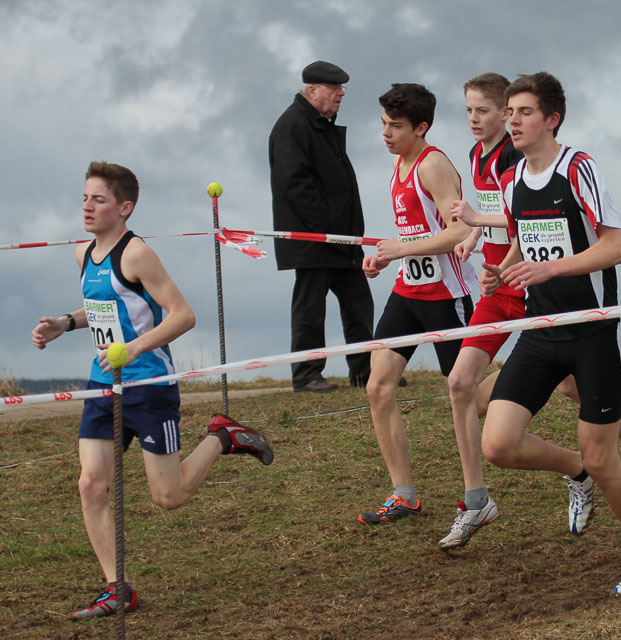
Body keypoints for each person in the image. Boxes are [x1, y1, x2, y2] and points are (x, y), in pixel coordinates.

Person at [31, 162, 273, 619]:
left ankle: (223, 437)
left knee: (169, 497)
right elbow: (104, 305)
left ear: (124, 208)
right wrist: (65, 323)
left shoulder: (137, 253)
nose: (87, 207)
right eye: (84, 198)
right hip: (103, 384)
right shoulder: (83, 254)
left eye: (98, 199)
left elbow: (183, 315)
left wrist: (134, 347)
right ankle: (117, 588)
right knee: (90, 484)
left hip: (148, 386)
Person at [441, 73, 621, 549]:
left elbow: (617, 247)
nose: (513, 120)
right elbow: (524, 237)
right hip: (540, 331)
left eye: (524, 112)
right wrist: (503, 271)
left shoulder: (578, 167)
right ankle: (577, 472)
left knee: (603, 458)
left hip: (592, 330)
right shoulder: (511, 180)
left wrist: (551, 269)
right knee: (498, 444)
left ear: (552, 120)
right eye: (510, 112)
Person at [358, 83, 476, 526]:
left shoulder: (433, 165)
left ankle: (526, 388)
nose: (386, 133)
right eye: (383, 124)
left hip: (447, 295)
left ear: (421, 127)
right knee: (378, 387)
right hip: (408, 292)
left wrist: (401, 250)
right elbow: (413, 233)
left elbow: (459, 231)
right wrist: (383, 258)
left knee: (469, 394)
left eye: (396, 126)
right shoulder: (398, 163)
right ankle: (403, 494)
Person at [269, 60, 375, 392]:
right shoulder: (293, 126)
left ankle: (365, 372)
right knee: (310, 308)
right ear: (312, 90)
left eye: (341, 88)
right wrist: (325, 227)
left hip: (339, 238)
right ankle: (307, 375)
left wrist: (341, 231)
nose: (340, 93)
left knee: (359, 302)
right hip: (314, 238)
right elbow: (293, 185)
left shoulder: (320, 123)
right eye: (333, 88)